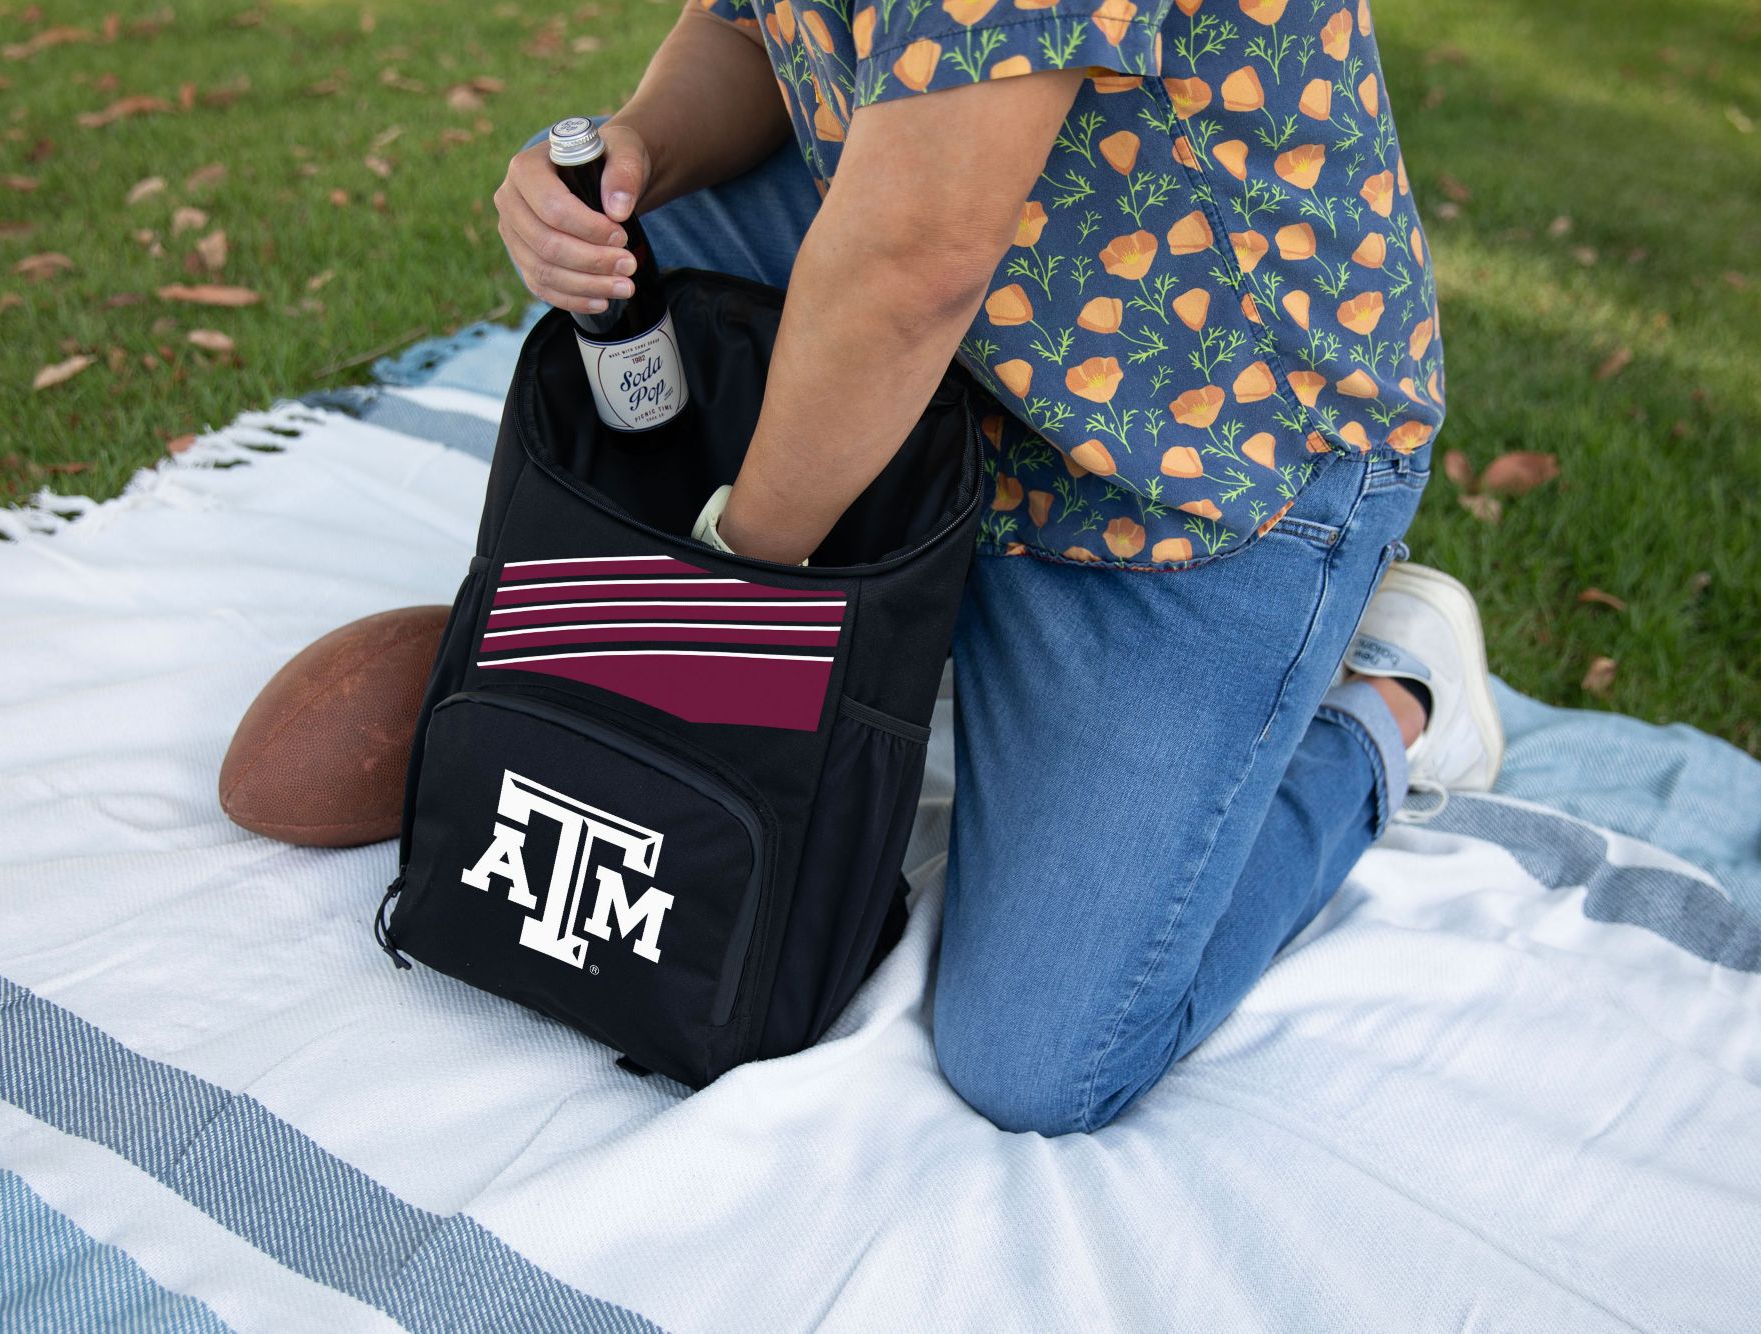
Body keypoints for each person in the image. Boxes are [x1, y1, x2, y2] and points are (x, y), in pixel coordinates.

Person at [488, 0, 1502, 1135]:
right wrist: (633, 154)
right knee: (651, 243)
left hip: (1204, 463)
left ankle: (1386, 696)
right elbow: (742, 32)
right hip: (969, 363)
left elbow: (909, 264)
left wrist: (732, 599)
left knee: (1040, 1060)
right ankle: (889, 601)